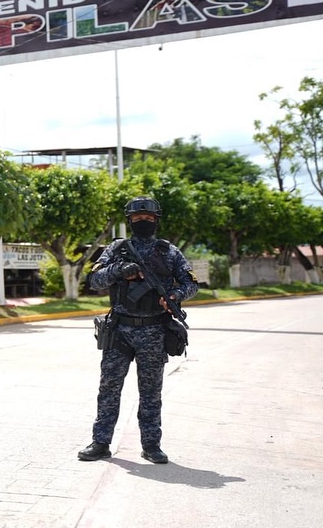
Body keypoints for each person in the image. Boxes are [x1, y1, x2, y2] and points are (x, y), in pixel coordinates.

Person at [78, 196, 198, 464]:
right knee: (109, 388)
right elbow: (95, 280)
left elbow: (191, 282)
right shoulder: (116, 249)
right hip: (120, 329)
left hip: (154, 330)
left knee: (151, 392)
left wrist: (176, 296)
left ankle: (151, 445)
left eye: (148, 217)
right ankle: (100, 443)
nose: (143, 221)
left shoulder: (169, 252)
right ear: (129, 220)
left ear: (156, 220)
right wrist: (121, 269)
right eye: (137, 218)